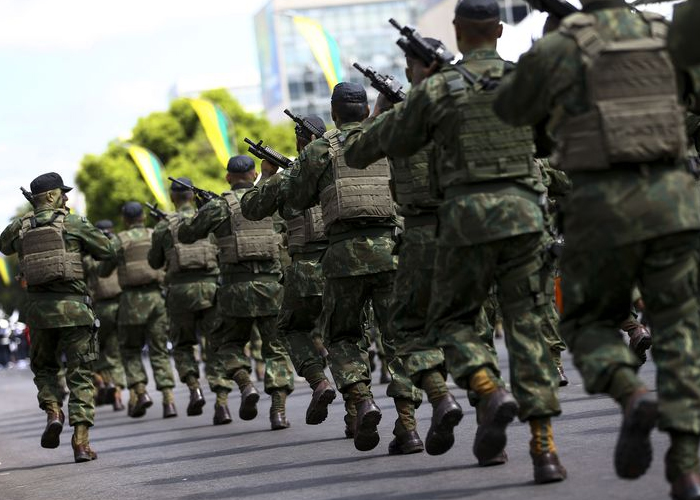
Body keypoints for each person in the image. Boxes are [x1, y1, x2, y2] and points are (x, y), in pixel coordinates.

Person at [343, 0, 565, 482]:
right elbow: (550, 143)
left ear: (459, 32)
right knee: (528, 328)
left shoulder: (438, 89)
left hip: (465, 224)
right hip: (528, 217)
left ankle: (486, 387)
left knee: (450, 321)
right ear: (501, 31)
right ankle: (545, 450)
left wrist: (408, 98)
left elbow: (363, 150)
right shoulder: (525, 79)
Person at [494, 0, 700, 496]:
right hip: (673, 201)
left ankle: (630, 394)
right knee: (679, 328)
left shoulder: (560, 46)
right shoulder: (664, 34)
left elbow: (510, 112)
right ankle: (687, 464)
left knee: (587, 322)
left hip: (600, 206)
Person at [282, 82, 423, 454]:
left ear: (334, 113)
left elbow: (296, 198)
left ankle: (362, 401)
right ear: (365, 111)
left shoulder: (320, 148)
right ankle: (408, 428)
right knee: (399, 339)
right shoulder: (389, 139)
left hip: (343, 255)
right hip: (392, 250)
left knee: (343, 336)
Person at [0, 172, 114, 462]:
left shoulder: (20, 226)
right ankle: (81, 443)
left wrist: (28, 220)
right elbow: (107, 249)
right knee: (80, 375)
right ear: (51, 196)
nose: (65, 198)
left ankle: (53, 411)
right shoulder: (73, 222)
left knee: (46, 369)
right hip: (75, 310)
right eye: (61, 193)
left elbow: (4, 245)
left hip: (39, 313)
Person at [178, 155, 295, 430]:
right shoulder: (271, 202)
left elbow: (186, 235)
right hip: (271, 287)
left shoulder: (219, 205)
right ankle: (278, 412)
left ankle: (244, 383)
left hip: (234, 289)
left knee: (226, 344)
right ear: (254, 174)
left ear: (228, 178)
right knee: (276, 349)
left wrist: (201, 209)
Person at [240, 116, 339, 428]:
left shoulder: (290, 176)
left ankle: (318, 381)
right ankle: (358, 412)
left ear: (302, 139)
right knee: (348, 336)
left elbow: (252, 208)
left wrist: (267, 174)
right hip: (343, 263)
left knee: (290, 329)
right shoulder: (344, 166)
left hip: (305, 270)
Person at [148, 177, 234, 424]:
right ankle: (222, 403)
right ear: (192, 196)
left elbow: (154, 262)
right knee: (215, 344)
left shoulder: (165, 226)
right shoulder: (210, 217)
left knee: (183, 344)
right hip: (211, 289)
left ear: (173, 197)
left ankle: (194, 386)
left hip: (179, 293)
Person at [99, 202, 177, 419]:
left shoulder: (119, 240)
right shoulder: (155, 234)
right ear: (144, 216)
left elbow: (104, 271)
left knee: (131, 350)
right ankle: (169, 401)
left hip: (131, 302)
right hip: (156, 298)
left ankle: (141, 392)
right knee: (159, 349)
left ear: (124, 219)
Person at [83, 219, 126, 411]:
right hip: (122, 306)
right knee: (116, 353)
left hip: (98, 309)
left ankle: (104, 382)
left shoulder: (88, 257)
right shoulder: (119, 249)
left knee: (95, 351)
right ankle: (117, 394)